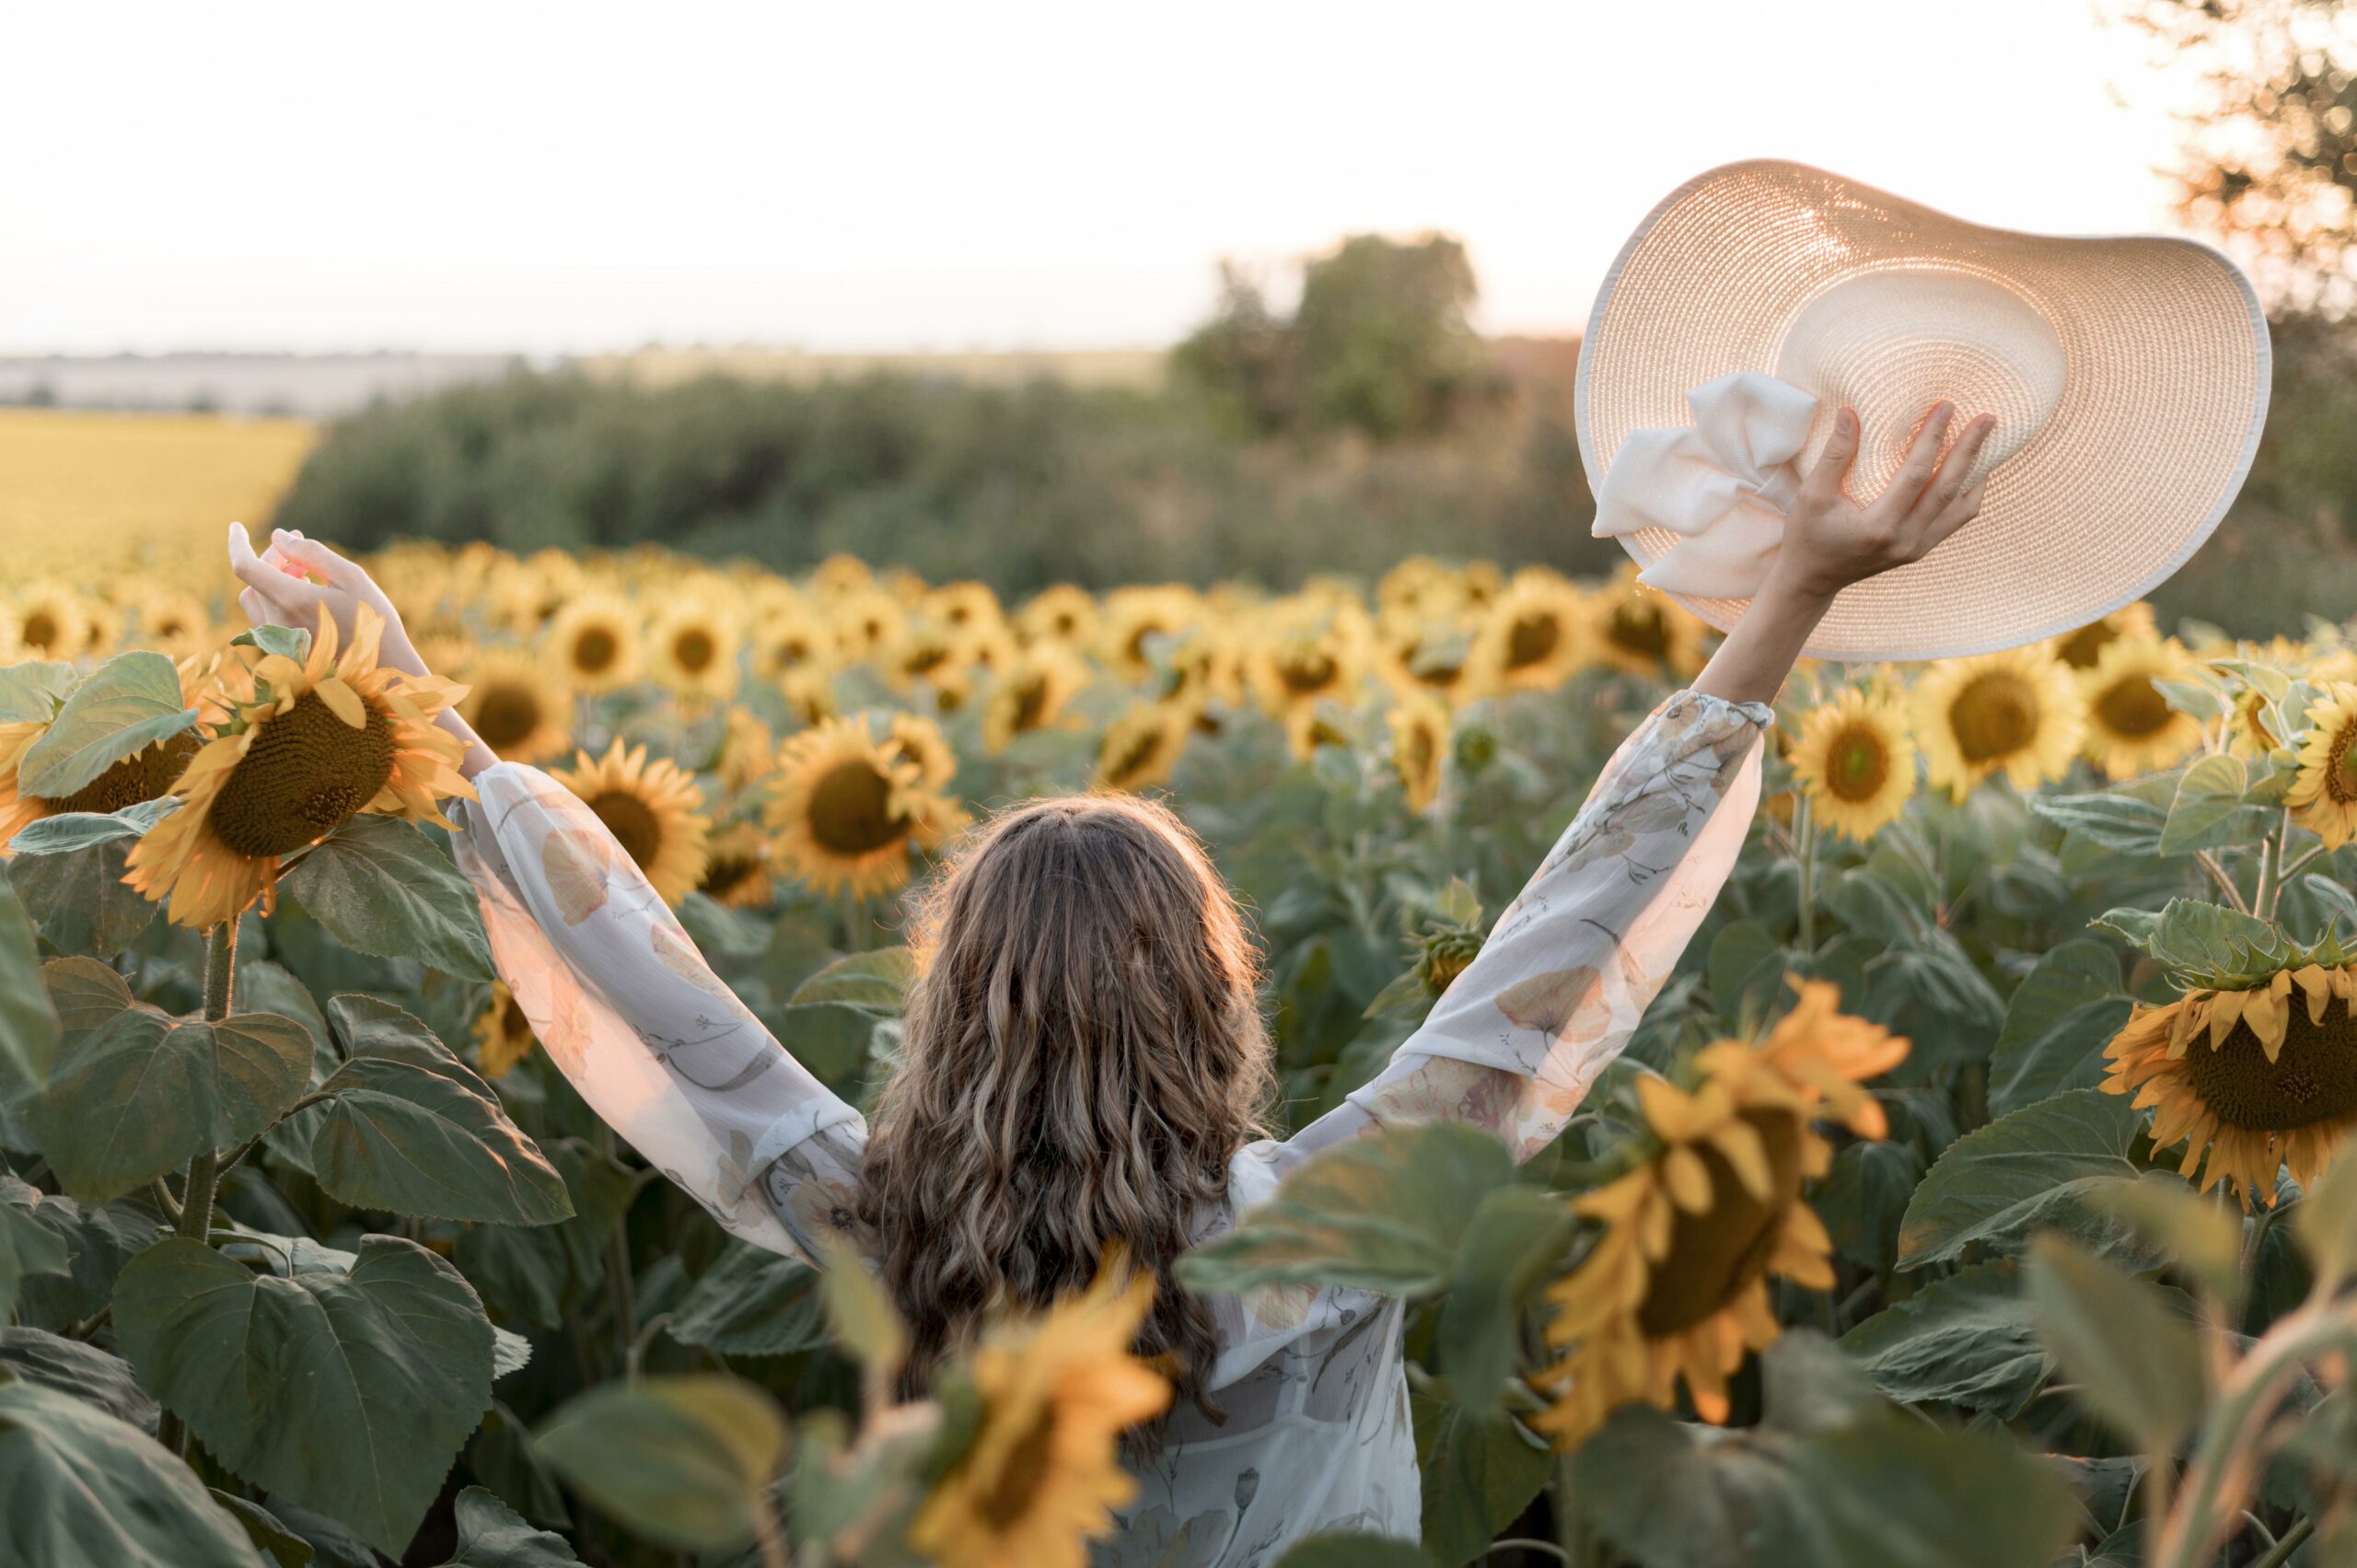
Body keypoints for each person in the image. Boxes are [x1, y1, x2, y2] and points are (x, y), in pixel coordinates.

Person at [226, 401, 1994, 1565]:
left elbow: (669, 1003)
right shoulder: (1333, 1225)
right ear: (1221, 1014)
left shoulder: (873, 1229)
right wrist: (1786, 612)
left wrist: (422, 712)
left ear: (946, 1028)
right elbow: (1563, 948)